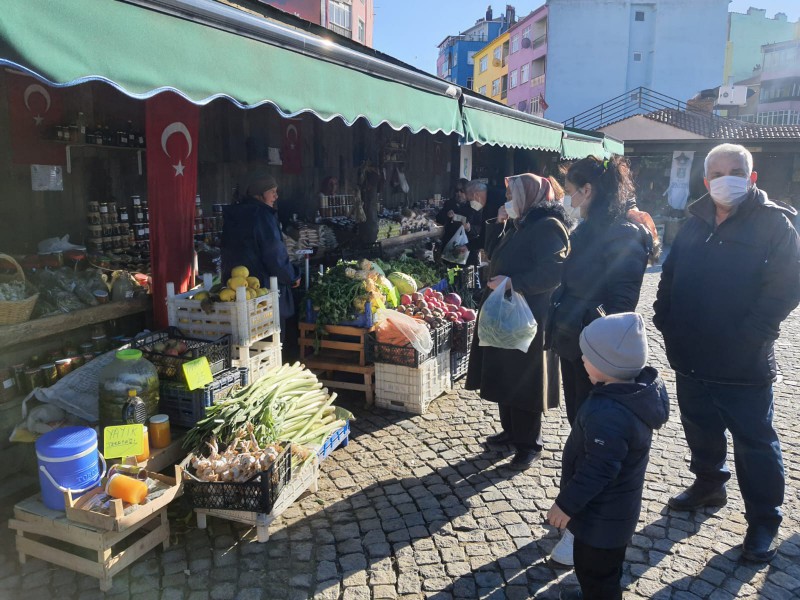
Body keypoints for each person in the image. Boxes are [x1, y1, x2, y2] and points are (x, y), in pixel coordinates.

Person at [653, 143, 800, 562]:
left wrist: (754, 334)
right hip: (691, 355)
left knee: (755, 442)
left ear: (751, 178)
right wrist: (665, 317)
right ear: (706, 180)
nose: (725, 179)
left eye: (735, 171)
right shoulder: (695, 219)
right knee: (699, 427)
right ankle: (708, 485)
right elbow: (671, 270)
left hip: (744, 362)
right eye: (717, 174)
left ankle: (763, 523)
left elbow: (787, 286)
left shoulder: (774, 223)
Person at [545, 155, 652, 567]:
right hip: (577, 348)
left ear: (588, 191)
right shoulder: (590, 227)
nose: (568, 199)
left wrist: (585, 326)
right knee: (581, 433)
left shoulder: (624, 233)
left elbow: (622, 307)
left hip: (599, 355)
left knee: (598, 445)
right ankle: (577, 512)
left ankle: (582, 530)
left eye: (570, 192)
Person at [548, 312, 669, 600]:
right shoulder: (630, 393)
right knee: (602, 570)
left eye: (587, 357)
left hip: (601, 518)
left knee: (596, 573)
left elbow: (598, 470)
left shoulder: (609, 415)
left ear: (607, 365)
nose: (582, 361)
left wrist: (565, 505)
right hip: (615, 513)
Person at [465, 174, 572, 469]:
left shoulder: (548, 226)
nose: (509, 201)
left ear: (530, 196)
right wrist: (498, 223)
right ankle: (511, 432)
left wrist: (516, 283)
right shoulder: (519, 222)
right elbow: (493, 256)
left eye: (514, 196)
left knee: (525, 379)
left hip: (529, 314)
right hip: (506, 310)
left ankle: (529, 444)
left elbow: (554, 272)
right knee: (504, 372)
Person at [221, 173, 300, 338]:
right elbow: (274, 256)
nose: (276, 196)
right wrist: (292, 276)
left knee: (244, 337)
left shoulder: (235, 214)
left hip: (235, 286)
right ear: (260, 194)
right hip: (262, 290)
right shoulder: (263, 216)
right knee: (270, 340)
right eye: (272, 191)